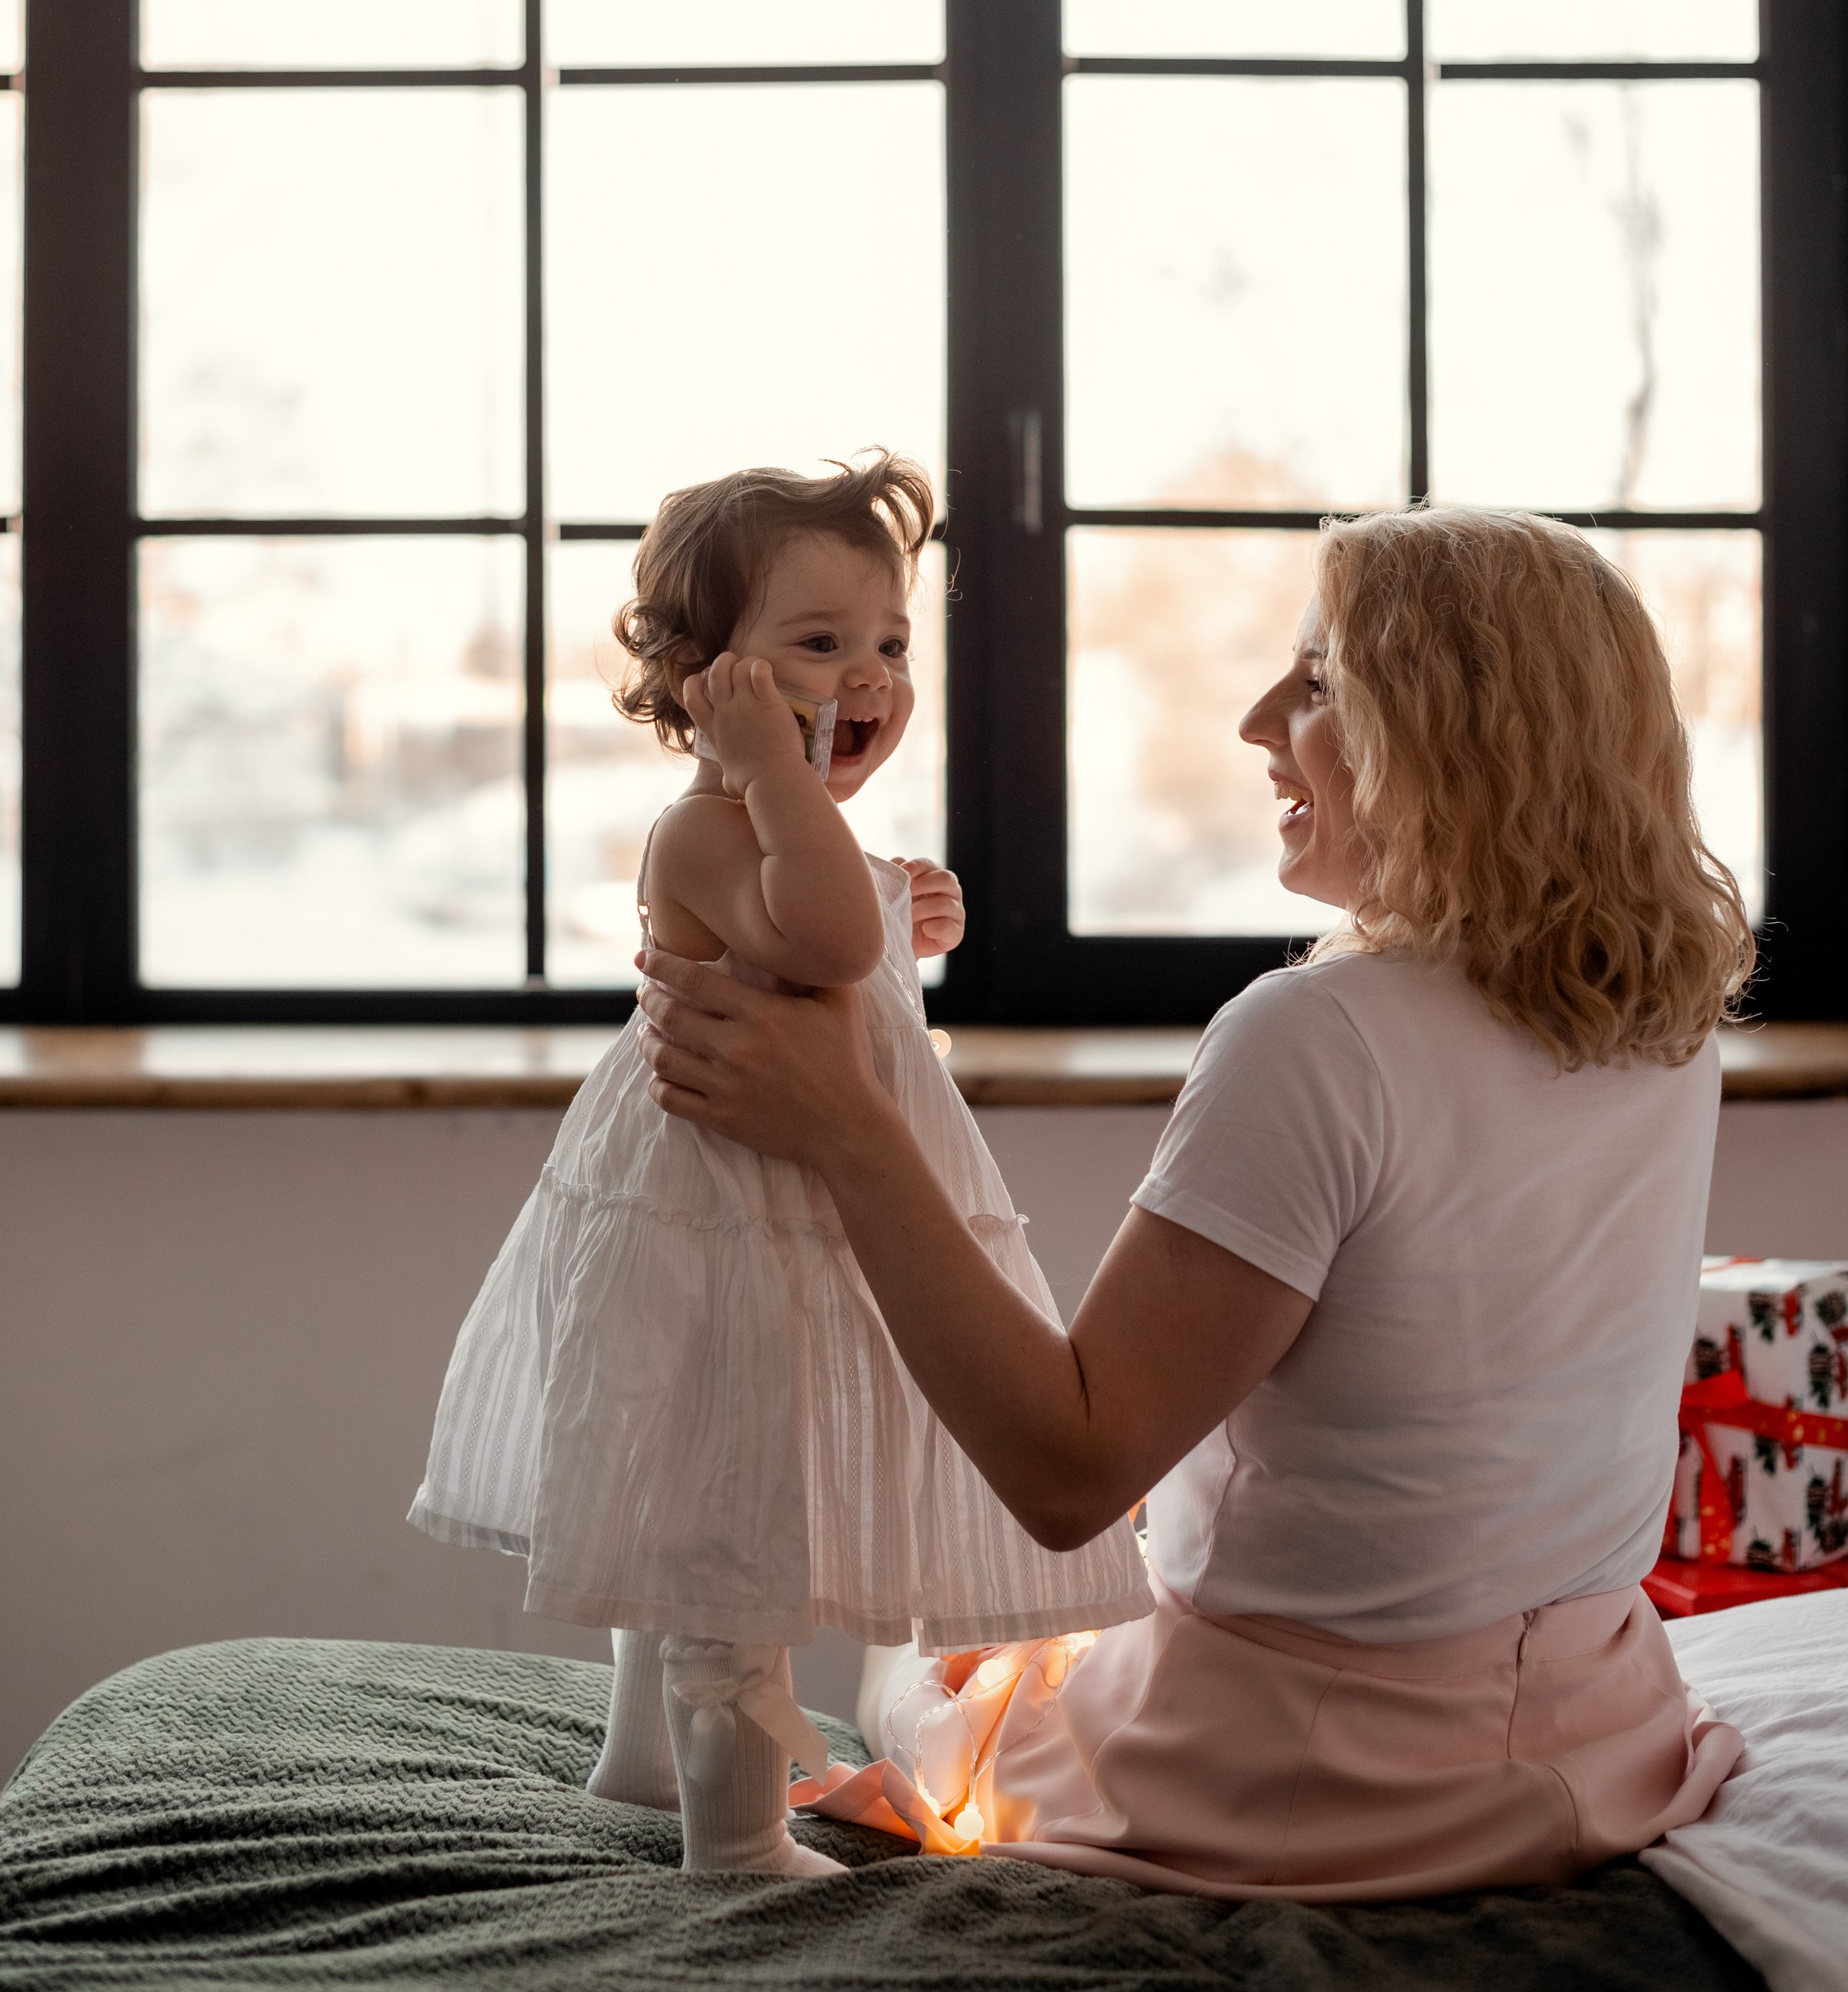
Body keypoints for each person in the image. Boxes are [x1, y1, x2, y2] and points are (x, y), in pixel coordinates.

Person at [634, 508, 1757, 1898]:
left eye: (1320, 683)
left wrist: (847, 1126)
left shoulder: (1319, 1035)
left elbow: (1066, 1474)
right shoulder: (1662, 1013)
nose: (1254, 720)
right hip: (1606, 1729)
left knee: (916, 1665)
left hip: (1333, 1780)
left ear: (1460, 734)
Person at [408, 453, 1148, 1878]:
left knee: (699, 1496)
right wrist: (794, 815)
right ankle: (736, 1844)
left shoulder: (788, 827)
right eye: (818, 645)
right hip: (727, 1225)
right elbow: (819, 946)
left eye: (890, 643)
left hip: (797, 1212)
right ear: (703, 677)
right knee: (733, 1523)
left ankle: (641, 1763)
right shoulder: (707, 822)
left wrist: (901, 900)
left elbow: (846, 932)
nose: (869, 675)